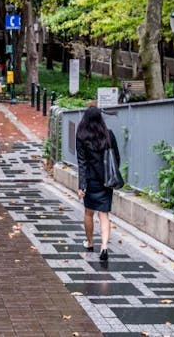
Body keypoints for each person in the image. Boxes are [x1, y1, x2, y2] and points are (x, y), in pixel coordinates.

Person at [76, 106, 121, 261]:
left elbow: (81, 162)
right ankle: (104, 247)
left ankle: (89, 242)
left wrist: (82, 185)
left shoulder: (81, 136)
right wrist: (111, 175)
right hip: (106, 181)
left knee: (89, 212)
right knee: (104, 214)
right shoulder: (108, 135)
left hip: (90, 180)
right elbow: (116, 158)